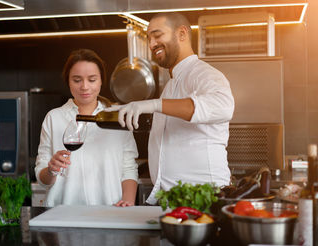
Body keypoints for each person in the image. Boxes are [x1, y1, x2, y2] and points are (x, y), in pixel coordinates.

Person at [105, 12, 235, 204]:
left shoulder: (204, 74)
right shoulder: (170, 86)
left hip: (204, 198)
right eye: (149, 39)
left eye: (157, 36)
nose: (151, 44)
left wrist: (153, 104)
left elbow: (223, 107)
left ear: (182, 34)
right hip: (172, 199)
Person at [35, 49, 138, 207]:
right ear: (68, 81)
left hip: (110, 211)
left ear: (101, 81)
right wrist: (50, 170)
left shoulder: (118, 117)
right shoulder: (53, 118)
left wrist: (128, 202)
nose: (84, 86)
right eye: (77, 80)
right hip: (62, 214)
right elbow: (43, 181)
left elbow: (129, 168)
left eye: (92, 79)